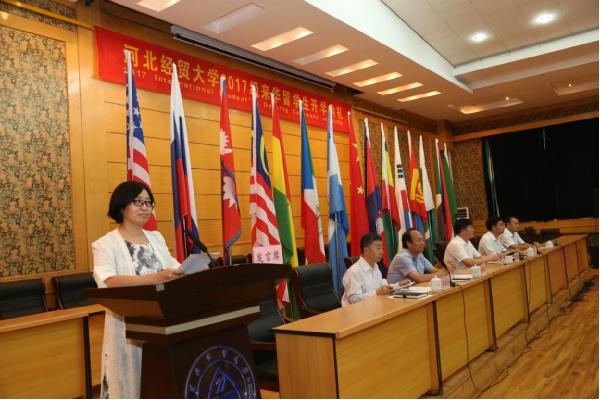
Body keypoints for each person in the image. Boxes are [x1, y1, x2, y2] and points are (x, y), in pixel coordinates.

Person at [92, 181, 184, 398]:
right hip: (128, 325)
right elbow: (108, 281)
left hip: (163, 321)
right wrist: (156, 278)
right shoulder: (105, 244)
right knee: (131, 383)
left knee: (163, 381)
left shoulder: (156, 238)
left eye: (148, 203)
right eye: (138, 202)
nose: (145, 207)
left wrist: (190, 270)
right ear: (122, 206)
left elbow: (173, 267)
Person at [341, 232, 410, 306]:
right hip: (357, 311)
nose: (382, 252)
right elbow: (354, 300)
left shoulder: (375, 266)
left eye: (382, 248)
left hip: (374, 307)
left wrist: (398, 285)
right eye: (378, 248)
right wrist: (377, 292)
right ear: (366, 251)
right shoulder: (354, 271)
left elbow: (383, 286)